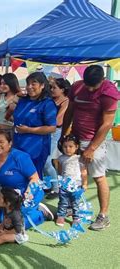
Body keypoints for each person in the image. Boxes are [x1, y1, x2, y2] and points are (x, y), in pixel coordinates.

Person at [62, 65, 119, 231]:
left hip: (95, 141)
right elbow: (69, 111)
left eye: (93, 86)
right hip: (75, 139)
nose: (89, 88)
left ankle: (103, 215)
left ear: (102, 80)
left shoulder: (108, 93)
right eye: (87, 84)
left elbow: (107, 123)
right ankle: (74, 206)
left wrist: (92, 148)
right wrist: (64, 134)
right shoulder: (77, 87)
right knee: (74, 174)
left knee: (98, 176)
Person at [0, 130, 53, 229]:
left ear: (10, 143)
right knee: (3, 223)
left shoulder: (20, 157)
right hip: (6, 199)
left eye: (1, 142)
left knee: (16, 226)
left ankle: (41, 213)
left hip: (26, 195)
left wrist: (28, 194)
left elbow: (35, 178)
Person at [13, 72, 57, 179]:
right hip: (18, 144)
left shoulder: (47, 103)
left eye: (34, 84)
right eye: (28, 84)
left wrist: (29, 130)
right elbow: (17, 118)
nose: (30, 87)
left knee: (33, 178)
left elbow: (52, 127)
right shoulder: (23, 101)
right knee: (18, 177)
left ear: (42, 85)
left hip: (36, 147)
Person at [44, 78, 70, 199]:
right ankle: (49, 184)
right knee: (43, 159)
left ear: (63, 89)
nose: (52, 90)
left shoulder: (65, 101)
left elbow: (58, 120)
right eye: (51, 87)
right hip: (45, 130)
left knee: (47, 161)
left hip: (55, 132)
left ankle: (56, 187)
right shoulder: (50, 100)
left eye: (54, 88)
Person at [55, 134, 88, 226]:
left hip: (76, 186)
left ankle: (76, 218)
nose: (67, 149)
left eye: (70, 146)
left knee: (75, 203)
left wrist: (85, 183)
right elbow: (60, 171)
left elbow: (84, 172)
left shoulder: (79, 159)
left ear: (76, 147)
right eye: (65, 147)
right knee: (63, 201)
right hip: (64, 185)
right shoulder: (61, 159)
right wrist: (60, 181)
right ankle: (61, 216)